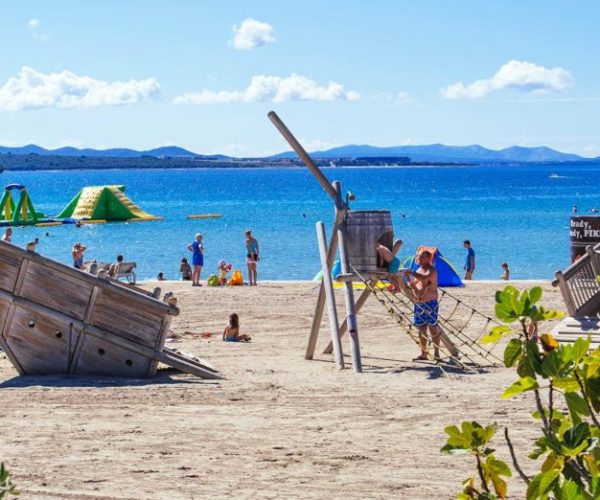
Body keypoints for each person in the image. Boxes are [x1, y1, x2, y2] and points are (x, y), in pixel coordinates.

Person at [403, 250, 442, 361]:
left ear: (428, 258)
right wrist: (408, 278)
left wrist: (411, 272)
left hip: (430, 302)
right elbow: (414, 285)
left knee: (432, 327)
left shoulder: (432, 270)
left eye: (422, 257)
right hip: (419, 303)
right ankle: (423, 353)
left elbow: (424, 278)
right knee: (421, 329)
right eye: (418, 256)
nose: (419, 259)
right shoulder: (419, 270)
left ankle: (437, 352)